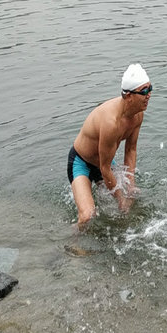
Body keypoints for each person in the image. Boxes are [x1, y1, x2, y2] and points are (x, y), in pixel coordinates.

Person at [67, 63, 152, 228]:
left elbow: (131, 149)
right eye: (144, 91)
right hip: (81, 162)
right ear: (128, 95)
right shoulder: (111, 122)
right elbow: (104, 168)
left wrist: (131, 184)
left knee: (134, 196)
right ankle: (74, 244)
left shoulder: (138, 114)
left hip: (105, 162)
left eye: (150, 89)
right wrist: (121, 200)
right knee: (87, 216)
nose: (148, 95)